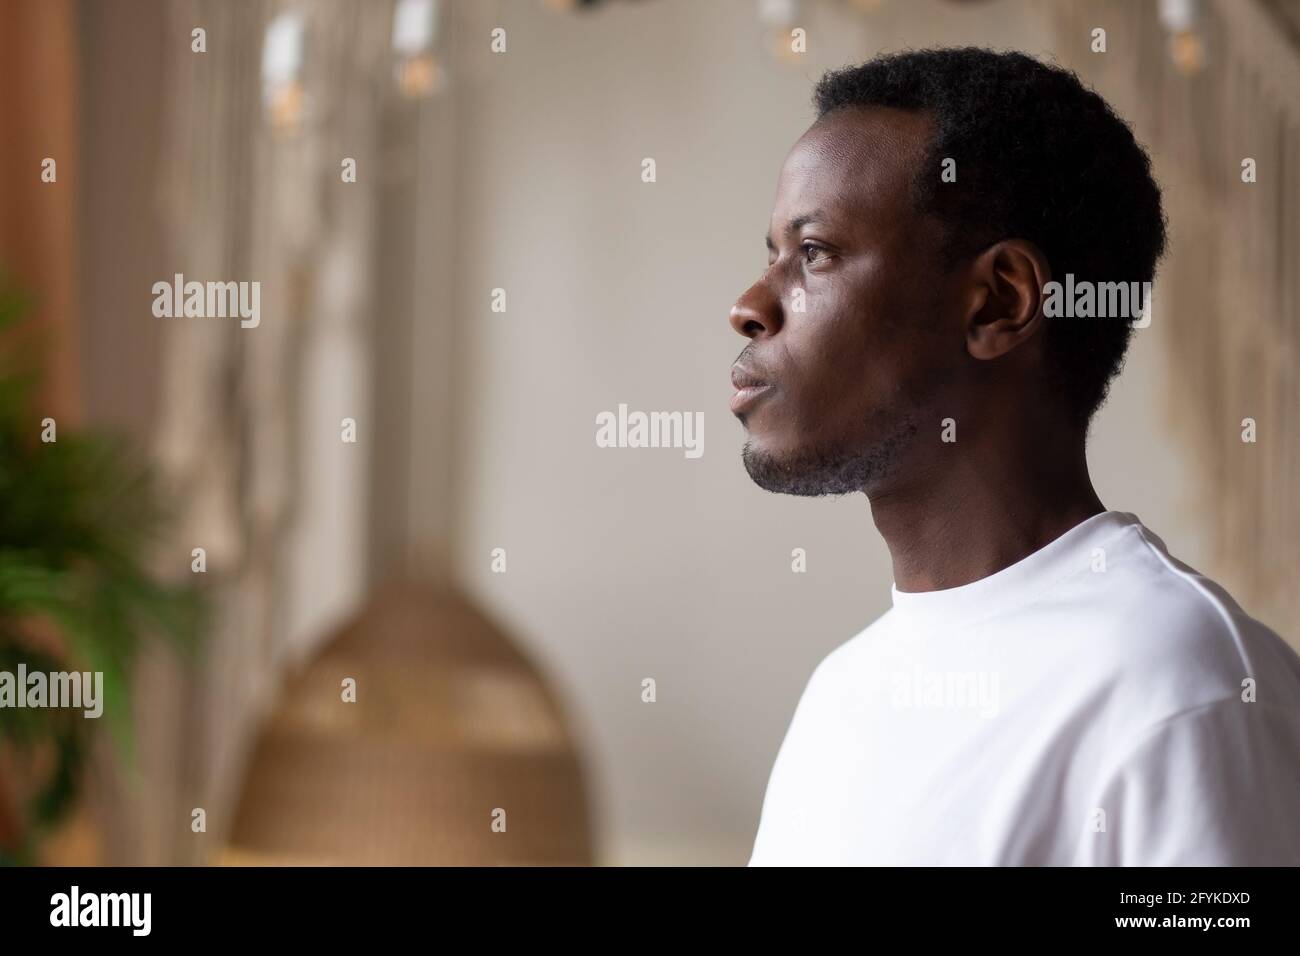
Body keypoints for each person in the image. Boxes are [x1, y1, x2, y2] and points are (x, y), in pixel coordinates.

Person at [731, 48, 1300, 865]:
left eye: (813, 252)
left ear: (1000, 301)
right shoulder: (839, 695)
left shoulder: (1179, 687)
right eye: (772, 254)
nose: (750, 305)